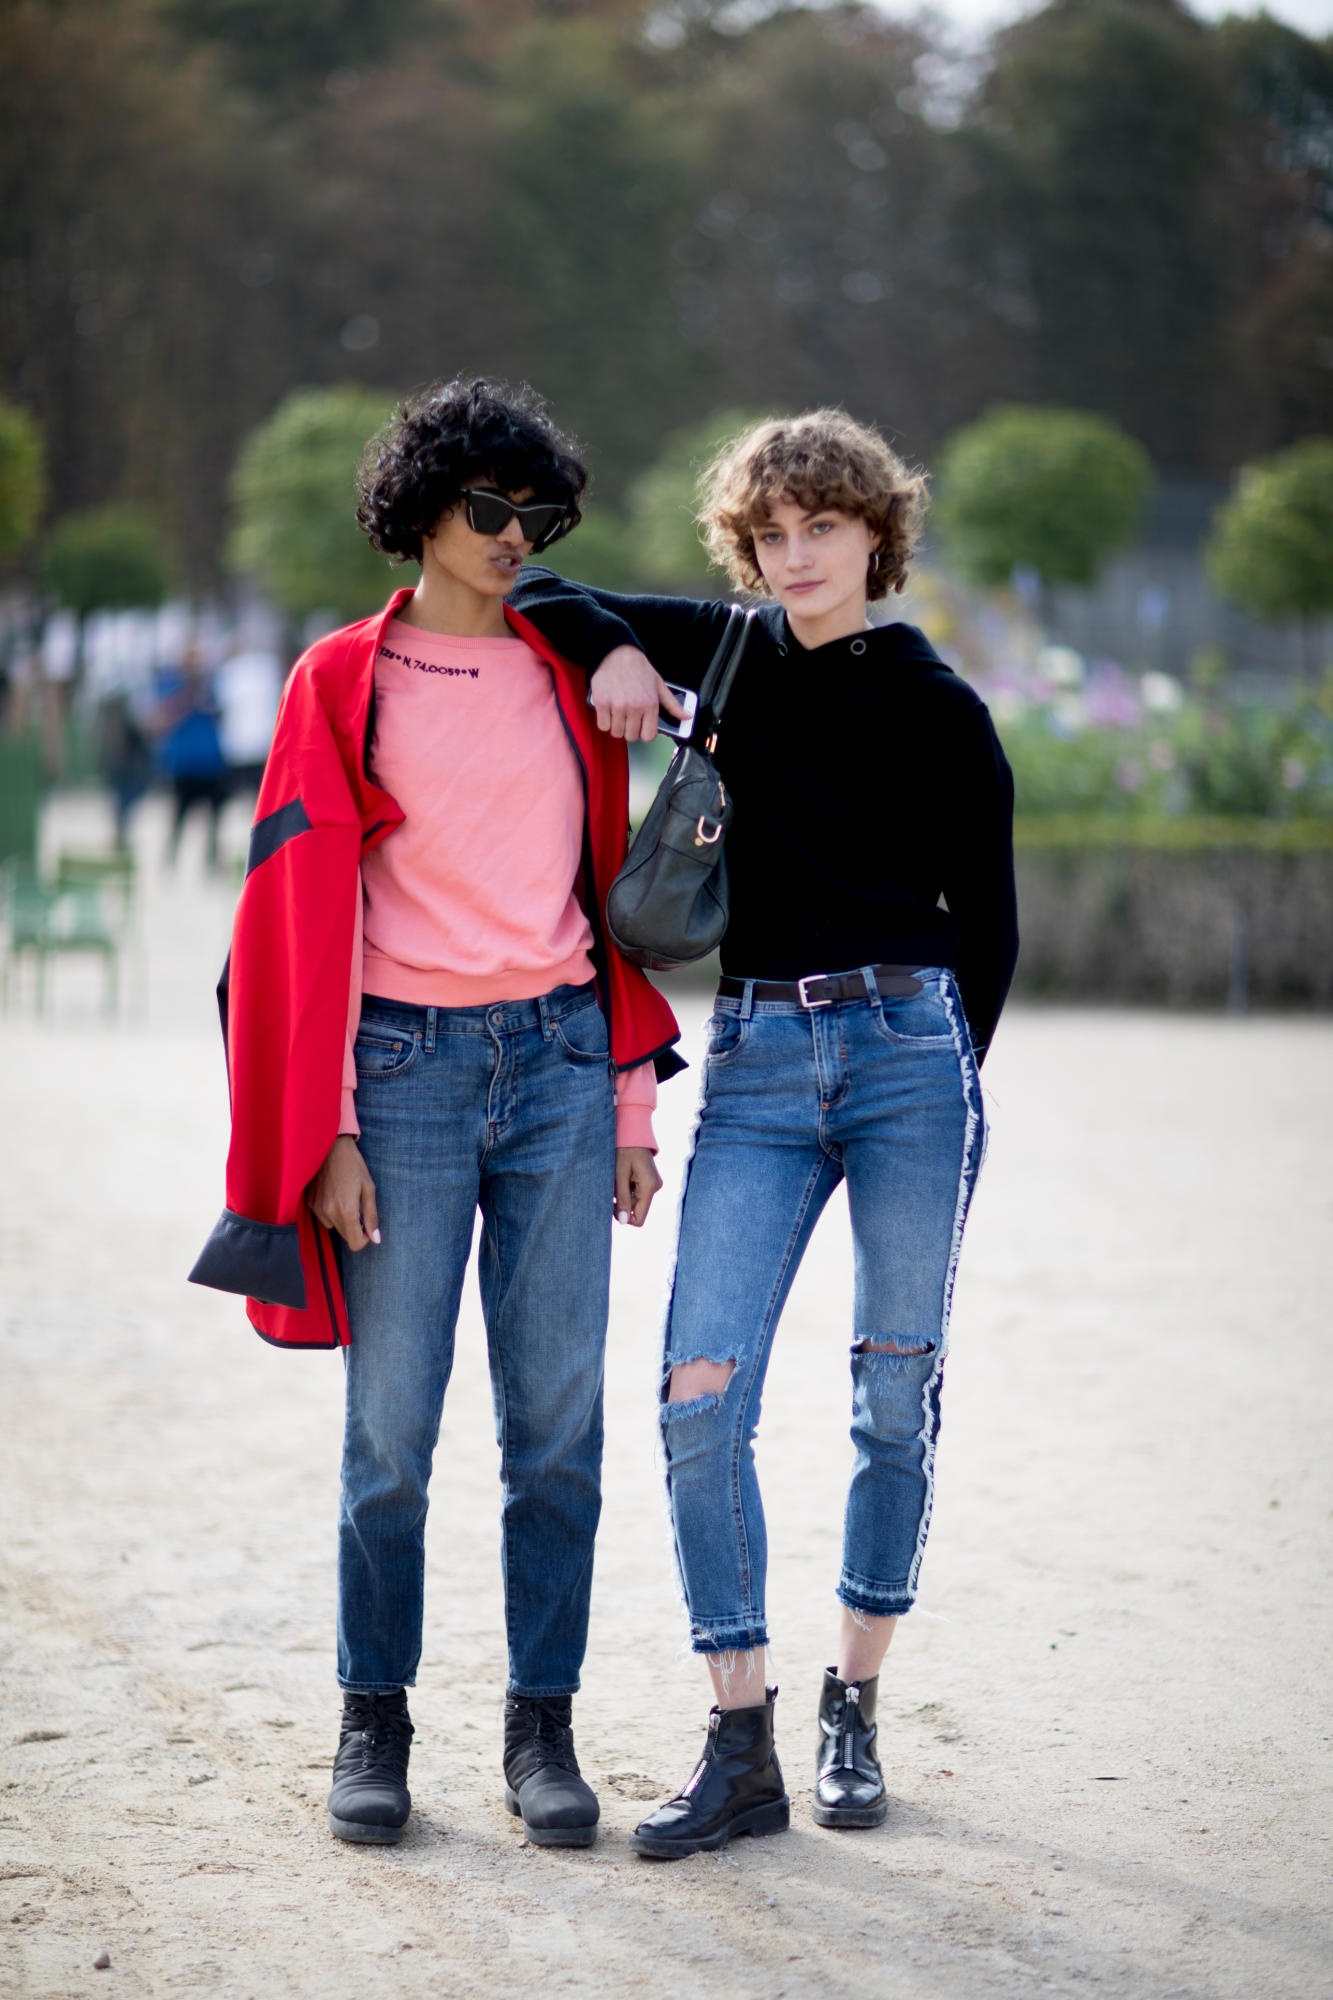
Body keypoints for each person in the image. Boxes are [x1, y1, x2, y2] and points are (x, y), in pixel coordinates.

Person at [510, 407, 1018, 1857]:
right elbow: (544, 589)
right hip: (752, 1062)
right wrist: (618, 652)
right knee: (694, 1398)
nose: (795, 556)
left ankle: (852, 1707)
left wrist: (933, 1076)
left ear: (876, 536)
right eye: (770, 534)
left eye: (823, 529)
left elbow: (988, 931)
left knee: (886, 1399)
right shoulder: (723, 652)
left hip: (908, 1059)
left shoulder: (938, 708)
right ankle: (740, 1737)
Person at [190, 378, 682, 1851]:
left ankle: (544, 1729)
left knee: (558, 1436)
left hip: (554, 1067)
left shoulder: (571, 672)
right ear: (419, 512)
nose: (516, 537)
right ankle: (373, 1721)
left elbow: (610, 909)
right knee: (389, 1437)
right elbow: (293, 910)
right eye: (489, 510)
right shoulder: (340, 680)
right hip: (395, 1078)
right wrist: (325, 1123)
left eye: (542, 516)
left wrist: (625, 1105)